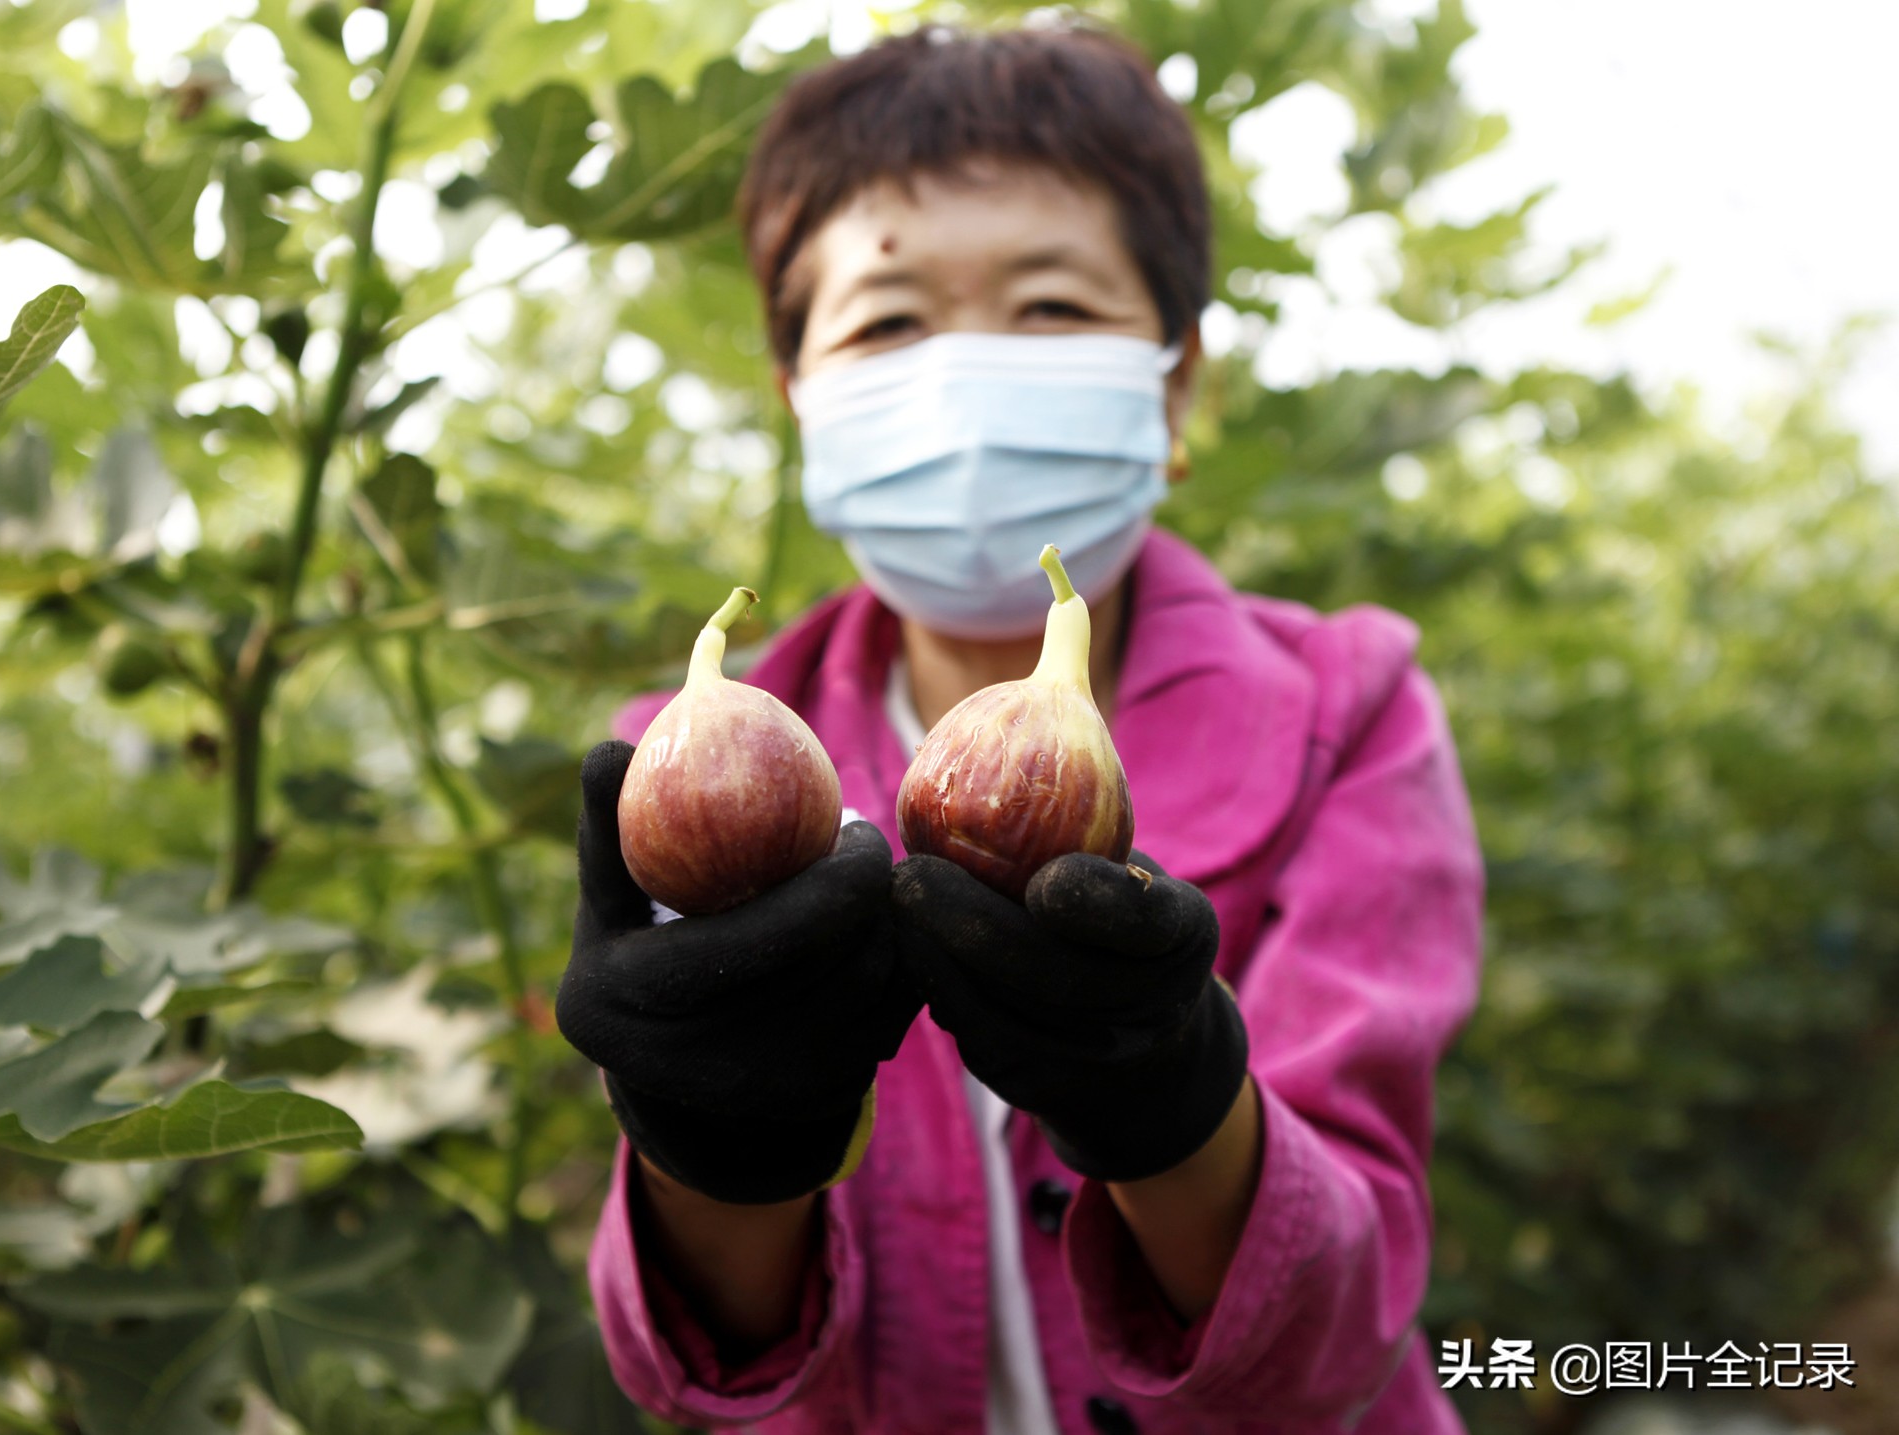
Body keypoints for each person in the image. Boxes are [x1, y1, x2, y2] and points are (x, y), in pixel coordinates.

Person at [555, 22, 1484, 1434]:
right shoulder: (669, 766)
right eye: (888, 321)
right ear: (800, 400)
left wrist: (1179, 1112)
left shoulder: (1350, 709)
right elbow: (704, 1366)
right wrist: (713, 1152)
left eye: (1050, 305)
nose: (965, 376)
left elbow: (1340, 1336)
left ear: (1175, 382)